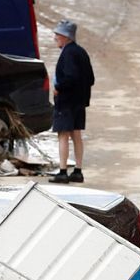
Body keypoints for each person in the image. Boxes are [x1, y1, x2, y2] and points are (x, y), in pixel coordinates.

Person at [49, 20, 94, 185]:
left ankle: (62, 172)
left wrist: (58, 88)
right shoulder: (81, 52)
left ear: (65, 37)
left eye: (58, 35)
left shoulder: (68, 54)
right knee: (76, 135)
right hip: (79, 102)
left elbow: (70, 77)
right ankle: (78, 171)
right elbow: (90, 78)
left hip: (66, 101)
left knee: (63, 134)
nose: (55, 38)